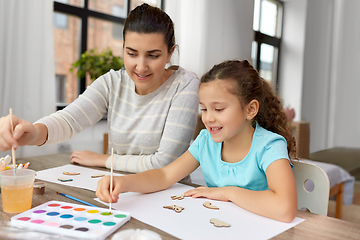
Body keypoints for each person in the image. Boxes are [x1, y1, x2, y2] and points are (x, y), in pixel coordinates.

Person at [0, 3, 200, 173]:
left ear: (169, 52)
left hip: (170, 197)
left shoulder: (184, 85)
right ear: (123, 48)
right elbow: (69, 120)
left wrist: (102, 159)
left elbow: (165, 164)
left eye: (153, 55)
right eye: (131, 53)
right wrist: (34, 133)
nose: (140, 66)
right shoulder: (112, 83)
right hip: (117, 190)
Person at [96, 60, 298, 223]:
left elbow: (285, 209)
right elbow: (165, 175)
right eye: (204, 108)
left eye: (218, 109)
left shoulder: (269, 146)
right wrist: (124, 182)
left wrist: (226, 192)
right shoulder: (206, 142)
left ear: (250, 110)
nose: (208, 118)